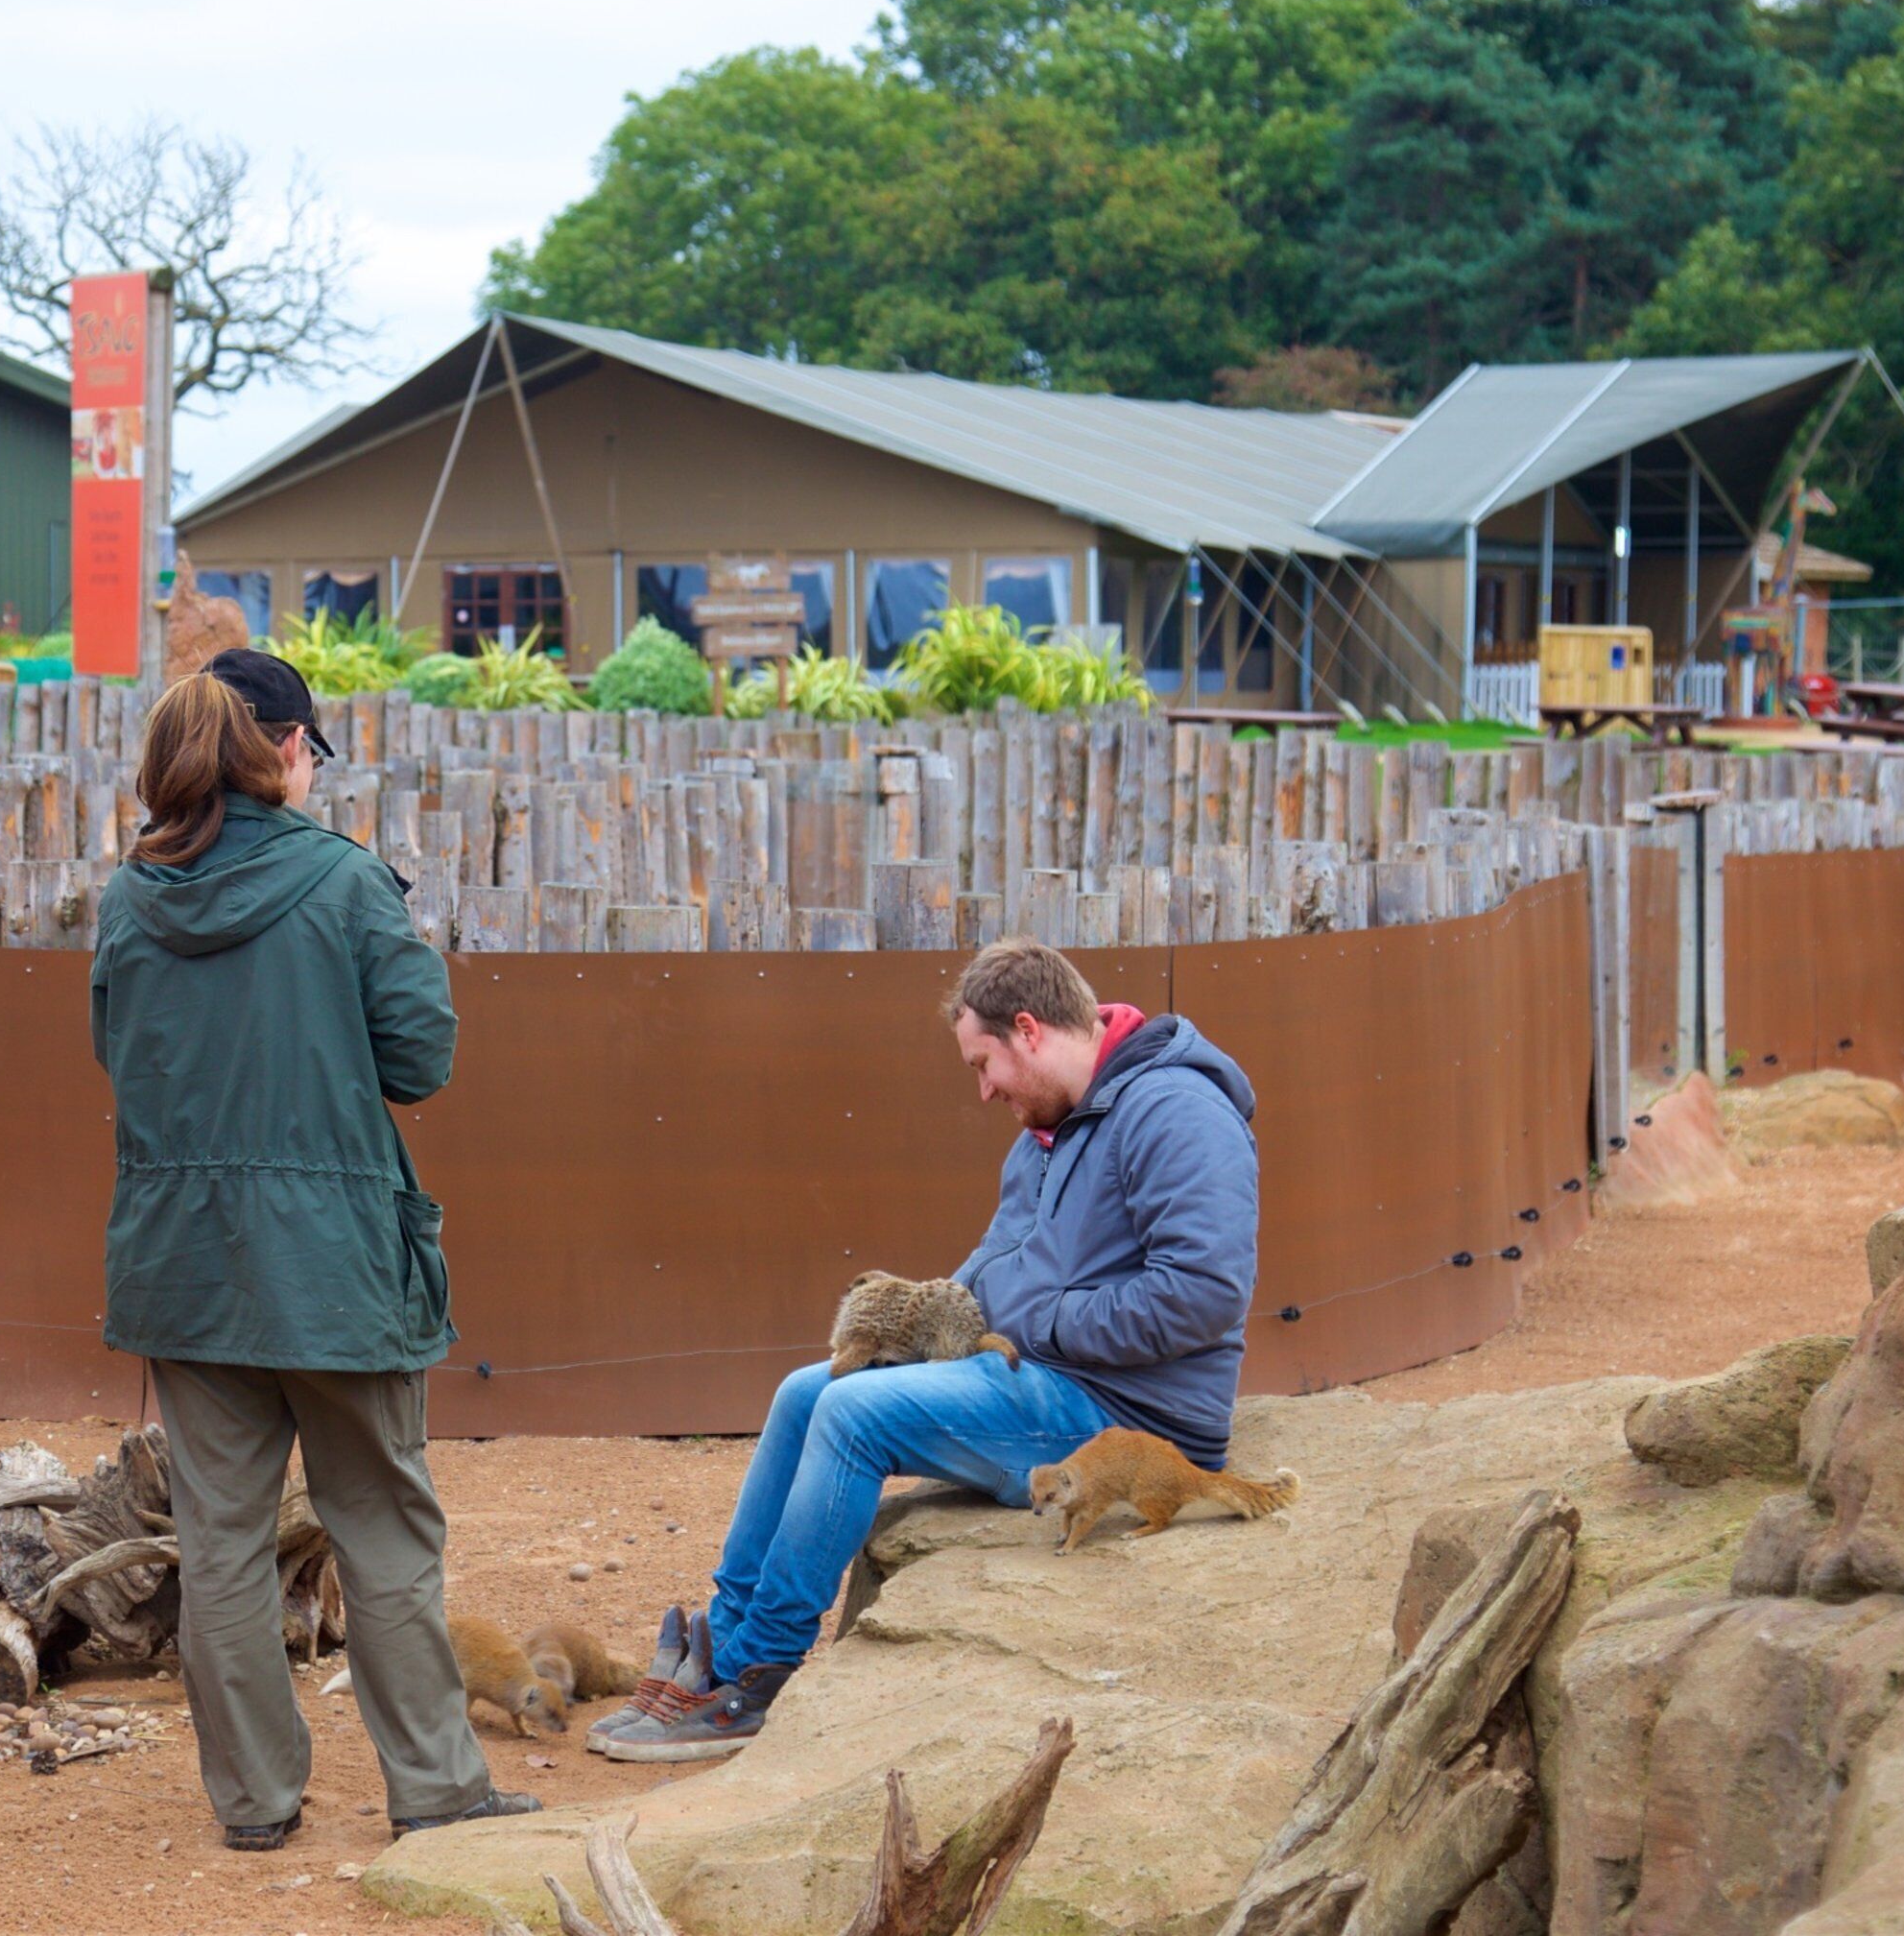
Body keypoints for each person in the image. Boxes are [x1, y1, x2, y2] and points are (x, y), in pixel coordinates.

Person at [593, 937, 1260, 1764]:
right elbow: (990, 1271)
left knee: (850, 1417)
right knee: (809, 1389)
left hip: (1124, 1415)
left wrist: (1041, 1324)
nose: (984, 1092)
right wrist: (918, 1332)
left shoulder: (1177, 1112)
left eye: (985, 1065)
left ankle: (758, 1676)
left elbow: (1204, 1294)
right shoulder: (1050, 1132)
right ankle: (722, 1642)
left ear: (1029, 1030)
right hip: (1045, 1379)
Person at [90, 650, 536, 1852]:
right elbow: (421, 1061)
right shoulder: (346, 884)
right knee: (381, 1528)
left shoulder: (130, 896)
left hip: (183, 1265)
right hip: (337, 1267)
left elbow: (117, 1052)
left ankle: (253, 1803)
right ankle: (437, 1788)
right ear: (286, 748)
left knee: (220, 1542)